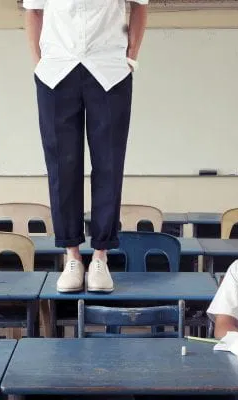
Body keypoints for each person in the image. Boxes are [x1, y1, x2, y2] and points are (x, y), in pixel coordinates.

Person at [23, 0, 149, 292]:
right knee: (61, 165)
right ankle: (72, 256)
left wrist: (131, 57)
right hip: (56, 70)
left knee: (109, 163)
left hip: (109, 69)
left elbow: (140, 6)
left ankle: (101, 256)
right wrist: (38, 62)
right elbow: (33, 10)